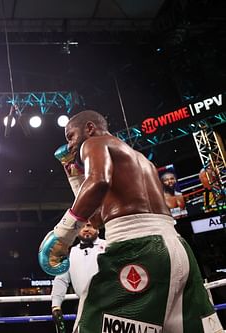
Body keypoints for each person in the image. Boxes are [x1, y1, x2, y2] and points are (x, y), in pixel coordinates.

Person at [42, 110, 223, 332]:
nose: (69, 146)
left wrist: (63, 236)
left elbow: (98, 182)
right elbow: (98, 220)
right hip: (178, 248)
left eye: (70, 136)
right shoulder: (142, 160)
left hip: (138, 247)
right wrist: (76, 178)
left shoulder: (94, 143)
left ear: (89, 128)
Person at [51, 221, 106, 333]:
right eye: (82, 226)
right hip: (83, 308)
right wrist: (56, 305)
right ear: (77, 231)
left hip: (108, 306)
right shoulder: (71, 252)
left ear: (98, 229)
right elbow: (61, 280)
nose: (86, 229)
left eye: (90, 225)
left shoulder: (108, 246)